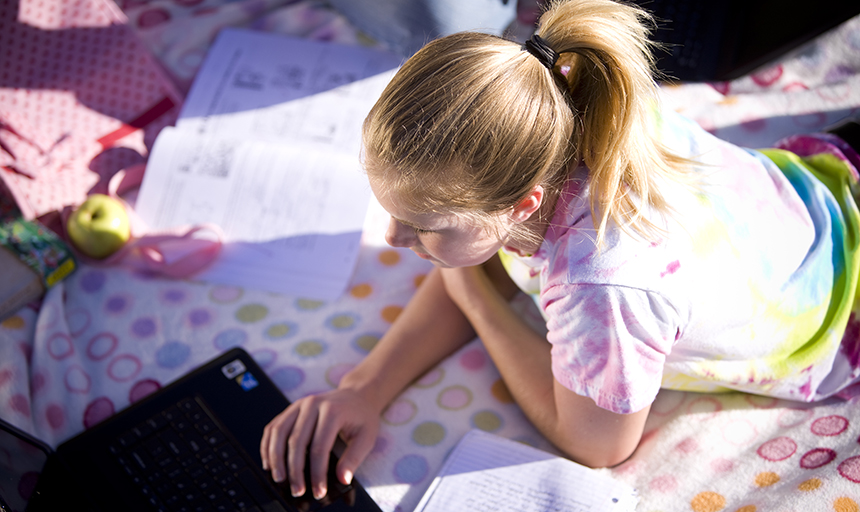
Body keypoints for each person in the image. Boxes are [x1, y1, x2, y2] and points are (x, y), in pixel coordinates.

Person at [260, 0, 860, 501]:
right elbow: (480, 261)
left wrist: (471, 294)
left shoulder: (604, 287)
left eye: (424, 226)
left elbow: (598, 444)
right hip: (830, 182)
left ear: (523, 204)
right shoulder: (574, 103)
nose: (393, 239)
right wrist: (364, 389)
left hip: (845, 305)